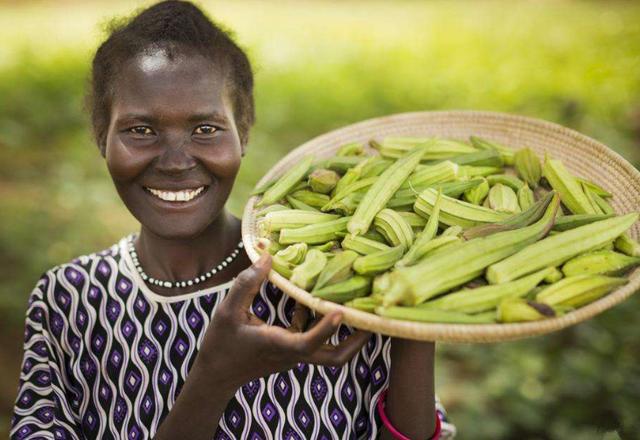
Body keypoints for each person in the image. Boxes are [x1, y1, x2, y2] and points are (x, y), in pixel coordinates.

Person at [10, 1, 457, 439]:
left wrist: (412, 318)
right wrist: (215, 378)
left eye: (205, 129)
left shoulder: (326, 281)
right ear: (100, 136)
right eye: (140, 130)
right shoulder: (69, 301)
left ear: (243, 130)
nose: (174, 161)